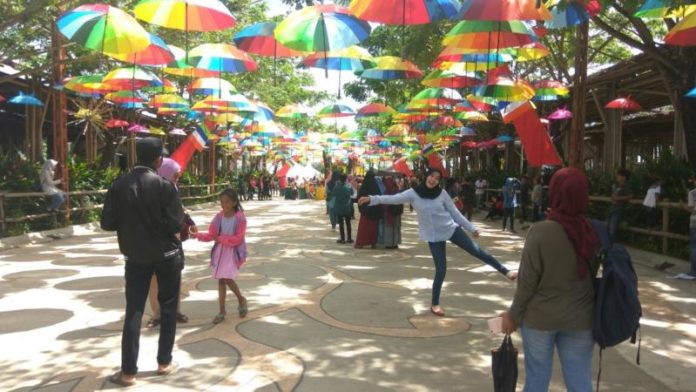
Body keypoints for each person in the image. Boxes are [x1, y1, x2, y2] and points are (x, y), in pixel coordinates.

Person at [358, 168, 516, 317]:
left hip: (450, 229)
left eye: (437, 178)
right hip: (433, 236)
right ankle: (435, 304)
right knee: (441, 269)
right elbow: (392, 199)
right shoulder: (414, 193)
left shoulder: (442, 193)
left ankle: (506, 271)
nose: (433, 180)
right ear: (426, 176)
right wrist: (371, 199)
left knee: (477, 251)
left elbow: (455, 213)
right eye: (431, 176)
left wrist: (471, 228)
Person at [500, 167, 600, 392]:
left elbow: (527, 283)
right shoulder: (593, 232)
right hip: (581, 318)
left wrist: (513, 315)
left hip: (540, 319)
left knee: (536, 380)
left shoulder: (541, 231)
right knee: (580, 380)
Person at [100, 137, 185, 386]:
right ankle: (164, 363)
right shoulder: (165, 186)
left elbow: (107, 223)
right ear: (159, 159)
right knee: (168, 308)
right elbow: (174, 224)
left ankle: (128, 372)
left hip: (135, 257)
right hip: (167, 256)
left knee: (134, 311)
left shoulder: (118, 186)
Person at [146, 158, 192, 328]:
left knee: (175, 275)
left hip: (174, 240)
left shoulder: (173, 188)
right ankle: (156, 313)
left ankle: (176, 310)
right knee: (154, 277)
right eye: (174, 174)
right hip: (156, 239)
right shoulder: (151, 190)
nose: (177, 177)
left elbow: (180, 209)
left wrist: (189, 222)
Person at [191, 188, 248, 324]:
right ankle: (222, 311)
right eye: (222, 202)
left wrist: (221, 238)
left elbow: (238, 239)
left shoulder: (240, 218)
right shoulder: (218, 217)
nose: (224, 205)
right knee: (221, 280)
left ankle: (241, 299)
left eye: (227, 202)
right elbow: (212, 235)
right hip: (220, 252)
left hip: (232, 253)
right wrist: (197, 235)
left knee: (227, 279)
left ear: (234, 202)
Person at [355, 170, 383, 248]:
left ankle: (360, 243)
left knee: (364, 228)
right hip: (375, 211)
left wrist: (361, 208)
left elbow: (359, 198)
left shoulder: (364, 186)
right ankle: (373, 243)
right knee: (373, 228)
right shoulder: (376, 186)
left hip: (365, 211)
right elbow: (379, 198)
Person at [607, 169, 631, 242]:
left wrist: (618, 198)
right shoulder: (616, 186)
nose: (617, 177)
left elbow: (630, 196)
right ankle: (610, 245)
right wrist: (613, 196)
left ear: (624, 177)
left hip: (618, 210)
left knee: (612, 229)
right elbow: (613, 196)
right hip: (612, 209)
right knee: (608, 228)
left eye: (619, 176)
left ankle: (613, 247)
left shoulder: (626, 186)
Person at [330, 174, 353, 243]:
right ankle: (349, 238)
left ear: (339, 180)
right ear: (346, 179)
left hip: (339, 208)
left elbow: (333, 195)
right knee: (348, 223)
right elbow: (352, 193)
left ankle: (342, 239)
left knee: (341, 223)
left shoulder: (336, 188)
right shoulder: (348, 187)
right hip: (347, 207)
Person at [382, 176, 402, 249]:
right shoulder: (397, 190)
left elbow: (383, 202)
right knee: (396, 228)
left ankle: (389, 244)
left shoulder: (386, 191)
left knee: (388, 228)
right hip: (396, 213)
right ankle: (395, 243)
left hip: (388, 213)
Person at [683, 175, 696, 277]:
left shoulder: (692, 193)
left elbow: (691, 209)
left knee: (694, 247)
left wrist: (682, 205)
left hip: (694, 221)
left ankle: (693, 271)